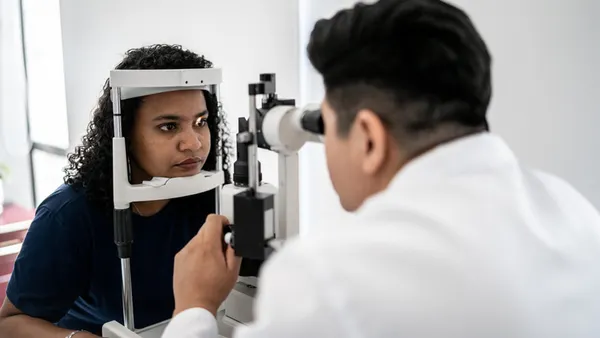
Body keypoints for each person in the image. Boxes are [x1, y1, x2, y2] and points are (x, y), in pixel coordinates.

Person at [162, 0, 600, 337]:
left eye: (327, 127)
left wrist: (193, 308)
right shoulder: (577, 215)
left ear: (369, 137)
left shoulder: (330, 279)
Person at [0, 44, 232, 337]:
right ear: (123, 135)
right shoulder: (67, 215)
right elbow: (8, 325)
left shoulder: (210, 194)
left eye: (201, 122)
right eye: (169, 126)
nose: (194, 143)